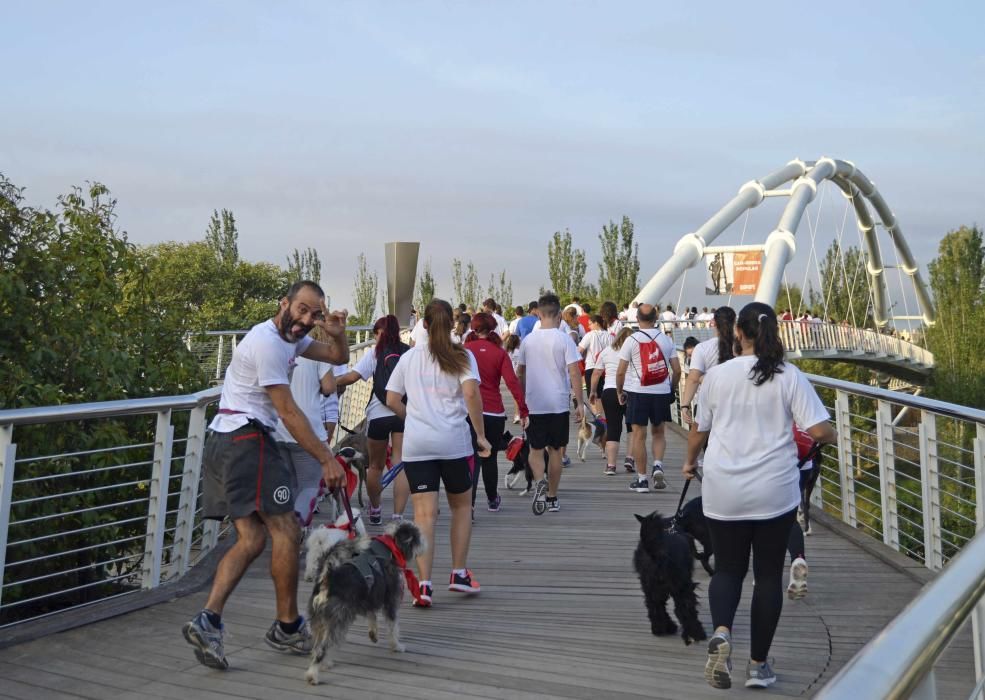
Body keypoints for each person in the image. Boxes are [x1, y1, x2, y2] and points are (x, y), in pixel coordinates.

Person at [182, 281, 349, 670]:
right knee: (287, 530)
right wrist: (327, 458)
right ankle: (288, 627)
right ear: (284, 303)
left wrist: (337, 336)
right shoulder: (269, 344)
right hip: (247, 440)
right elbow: (289, 411)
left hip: (227, 440)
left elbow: (334, 355)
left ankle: (208, 620)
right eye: (302, 310)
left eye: (315, 314)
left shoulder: (291, 339)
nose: (307, 320)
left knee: (253, 537)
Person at [682, 302, 837, 690]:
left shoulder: (716, 376)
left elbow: (700, 430)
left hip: (723, 489)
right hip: (774, 490)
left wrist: (688, 462)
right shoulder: (789, 375)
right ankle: (758, 665)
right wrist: (827, 436)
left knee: (729, 570)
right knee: (767, 577)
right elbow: (819, 431)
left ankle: (721, 631)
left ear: (738, 333)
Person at [385, 299, 491, 607]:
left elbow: (392, 398)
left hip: (418, 444)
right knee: (461, 508)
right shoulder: (462, 355)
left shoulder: (409, 358)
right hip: (454, 443)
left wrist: (414, 419)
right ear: (453, 324)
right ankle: (458, 573)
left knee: (424, 515)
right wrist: (481, 436)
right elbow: (471, 393)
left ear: (425, 324)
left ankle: (425, 585)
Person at [336, 315, 410, 525]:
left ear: (380, 333)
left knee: (375, 466)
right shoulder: (409, 352)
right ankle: (397, 516)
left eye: (375, 333)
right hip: (403, 412)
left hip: (378, 415)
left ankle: (375, 509)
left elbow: (352, 378)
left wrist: (331, 381)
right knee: (399, 464)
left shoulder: (374, 354)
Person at [515, 293, 584, 513]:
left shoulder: (528, 341)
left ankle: (539, 482)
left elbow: (520, 372)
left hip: (534, 403)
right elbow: (574, 371)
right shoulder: (564, 339)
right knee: (556, 451)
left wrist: (521, 401)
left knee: (535, 449)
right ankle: (553, 497)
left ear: (538, 313)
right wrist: (579, 402)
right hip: (558, 403)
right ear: (558, 315)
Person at [464, 313, 530, 512]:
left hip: (467, 411)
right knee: (489, 458)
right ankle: (492, 499)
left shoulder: (464, 350)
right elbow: (512, 382)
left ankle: (470, 505)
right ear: (492, 328)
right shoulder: (499, 353)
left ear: (473, 328)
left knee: (471, 458)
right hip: (493, 412)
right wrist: (523, 409)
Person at [616, 303, 680, 493]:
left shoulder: (631, 340)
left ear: (637, 319)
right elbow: (677, 370)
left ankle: (642, 480)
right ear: (656, 318)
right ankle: (658, 465)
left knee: (638, 436)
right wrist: (671, 389)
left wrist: (620, 391)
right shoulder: (666, 340)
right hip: (661, 392)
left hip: (637, 391)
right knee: (659, 433)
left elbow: (620, 372)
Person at [272, 351, 336, 528]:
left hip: (276, 428)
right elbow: (329, 387)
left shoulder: (275, 350)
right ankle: (294, 531)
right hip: (306, 430)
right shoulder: (317, 353)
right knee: (309, 486)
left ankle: (283, 531)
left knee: (289, 486)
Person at [679, 307, 736, 439]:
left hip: (708, 404)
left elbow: (693, 379)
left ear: (713, 323)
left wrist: (685, 405)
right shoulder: (741, 346)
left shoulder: (703, 348)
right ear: (734, 323)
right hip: (736, 403)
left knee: (708, 444)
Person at [589, 327, 633, 475]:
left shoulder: (607, 351)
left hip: (609, 392)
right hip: (630, 391)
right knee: (633, 427)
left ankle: (611, 465)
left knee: (614, 428)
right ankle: (630, 458)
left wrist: (593, 391)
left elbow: (596, 373)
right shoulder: (635, 351)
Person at [578, 314, 611, 403]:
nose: (589, 326)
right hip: (606, 369)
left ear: (596, 323)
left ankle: (598, 415)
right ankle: (603, 415)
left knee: (592, 396)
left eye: (590, 324)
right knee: (602, 394)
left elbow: (579, 350)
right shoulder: (610, 336)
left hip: (591, 366)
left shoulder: (590, 335)